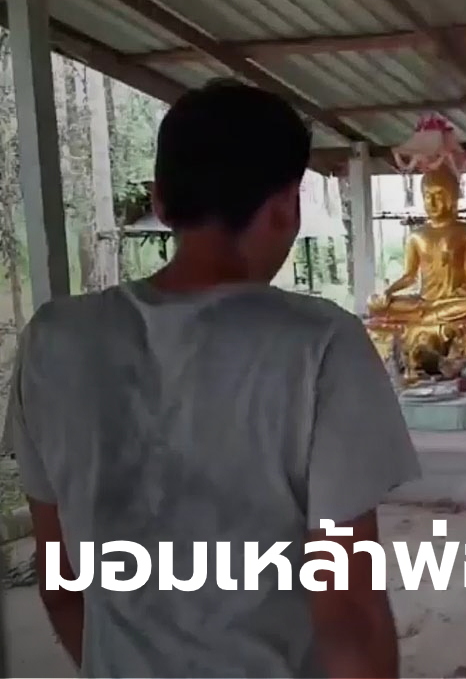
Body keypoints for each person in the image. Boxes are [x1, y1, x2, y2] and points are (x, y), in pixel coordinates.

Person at [3, 79, 420, 678]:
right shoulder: (320, 345)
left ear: (160, 200)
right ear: (287, 206)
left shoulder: (52, 341)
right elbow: (349, 611)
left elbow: (60, 582)